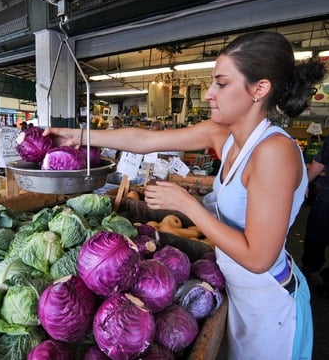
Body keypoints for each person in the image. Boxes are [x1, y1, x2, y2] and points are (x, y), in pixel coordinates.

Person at [44, 31, 326, 359]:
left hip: (269, 302)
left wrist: (187, 204)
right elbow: (144, 141)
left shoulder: (274, 151)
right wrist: (80, 135)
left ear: (259, 89)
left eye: (221, 83)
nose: (209, 94)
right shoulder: (225, 136)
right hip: (239, 292)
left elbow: (259, 257)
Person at [301, 136, 329, 297]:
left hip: (326, 197)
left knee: (316, 235)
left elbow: (319, 164)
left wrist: (305, 182)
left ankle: (309, 269)